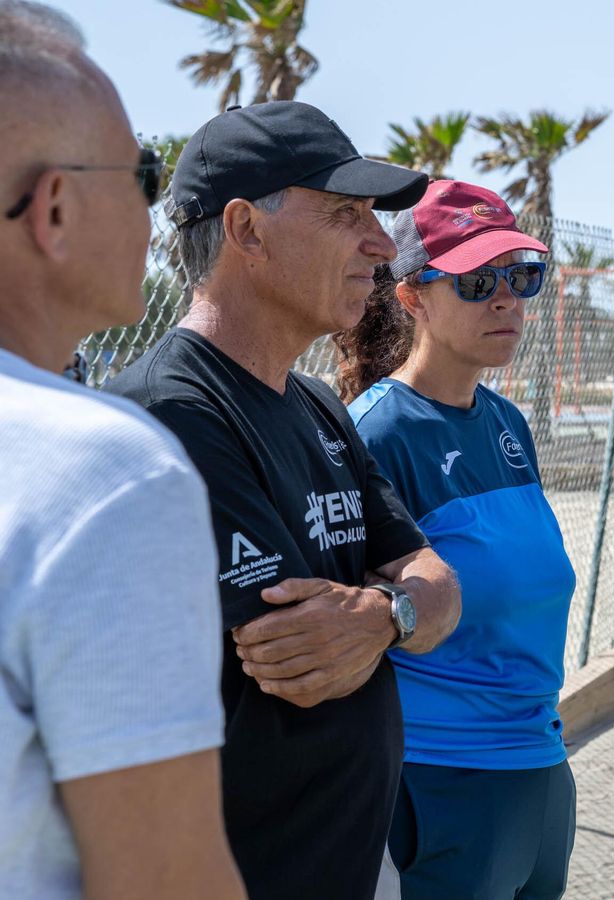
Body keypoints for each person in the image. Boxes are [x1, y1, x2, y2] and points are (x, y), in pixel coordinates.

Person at [104, 100, 462, 900]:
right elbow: (299, 655)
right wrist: (397, 607)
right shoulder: (172, 413)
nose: (380, 244)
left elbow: (437, 591)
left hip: (354, 860)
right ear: (246, 229)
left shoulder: (317, 404)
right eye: (344, 214)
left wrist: (383, 616)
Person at [0, 3, 243, 897]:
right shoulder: (104, 473)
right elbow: (165, 879)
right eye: (141, 172)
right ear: (54, 208)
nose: (158, 206)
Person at [334, 179, 578, 899]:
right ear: (411, 295)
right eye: (476, 281)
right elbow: (357, 620)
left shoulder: (507, 424)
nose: (506, 299)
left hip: (539, 767)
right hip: (441, 782)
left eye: (520, 276)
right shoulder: (377, 433)